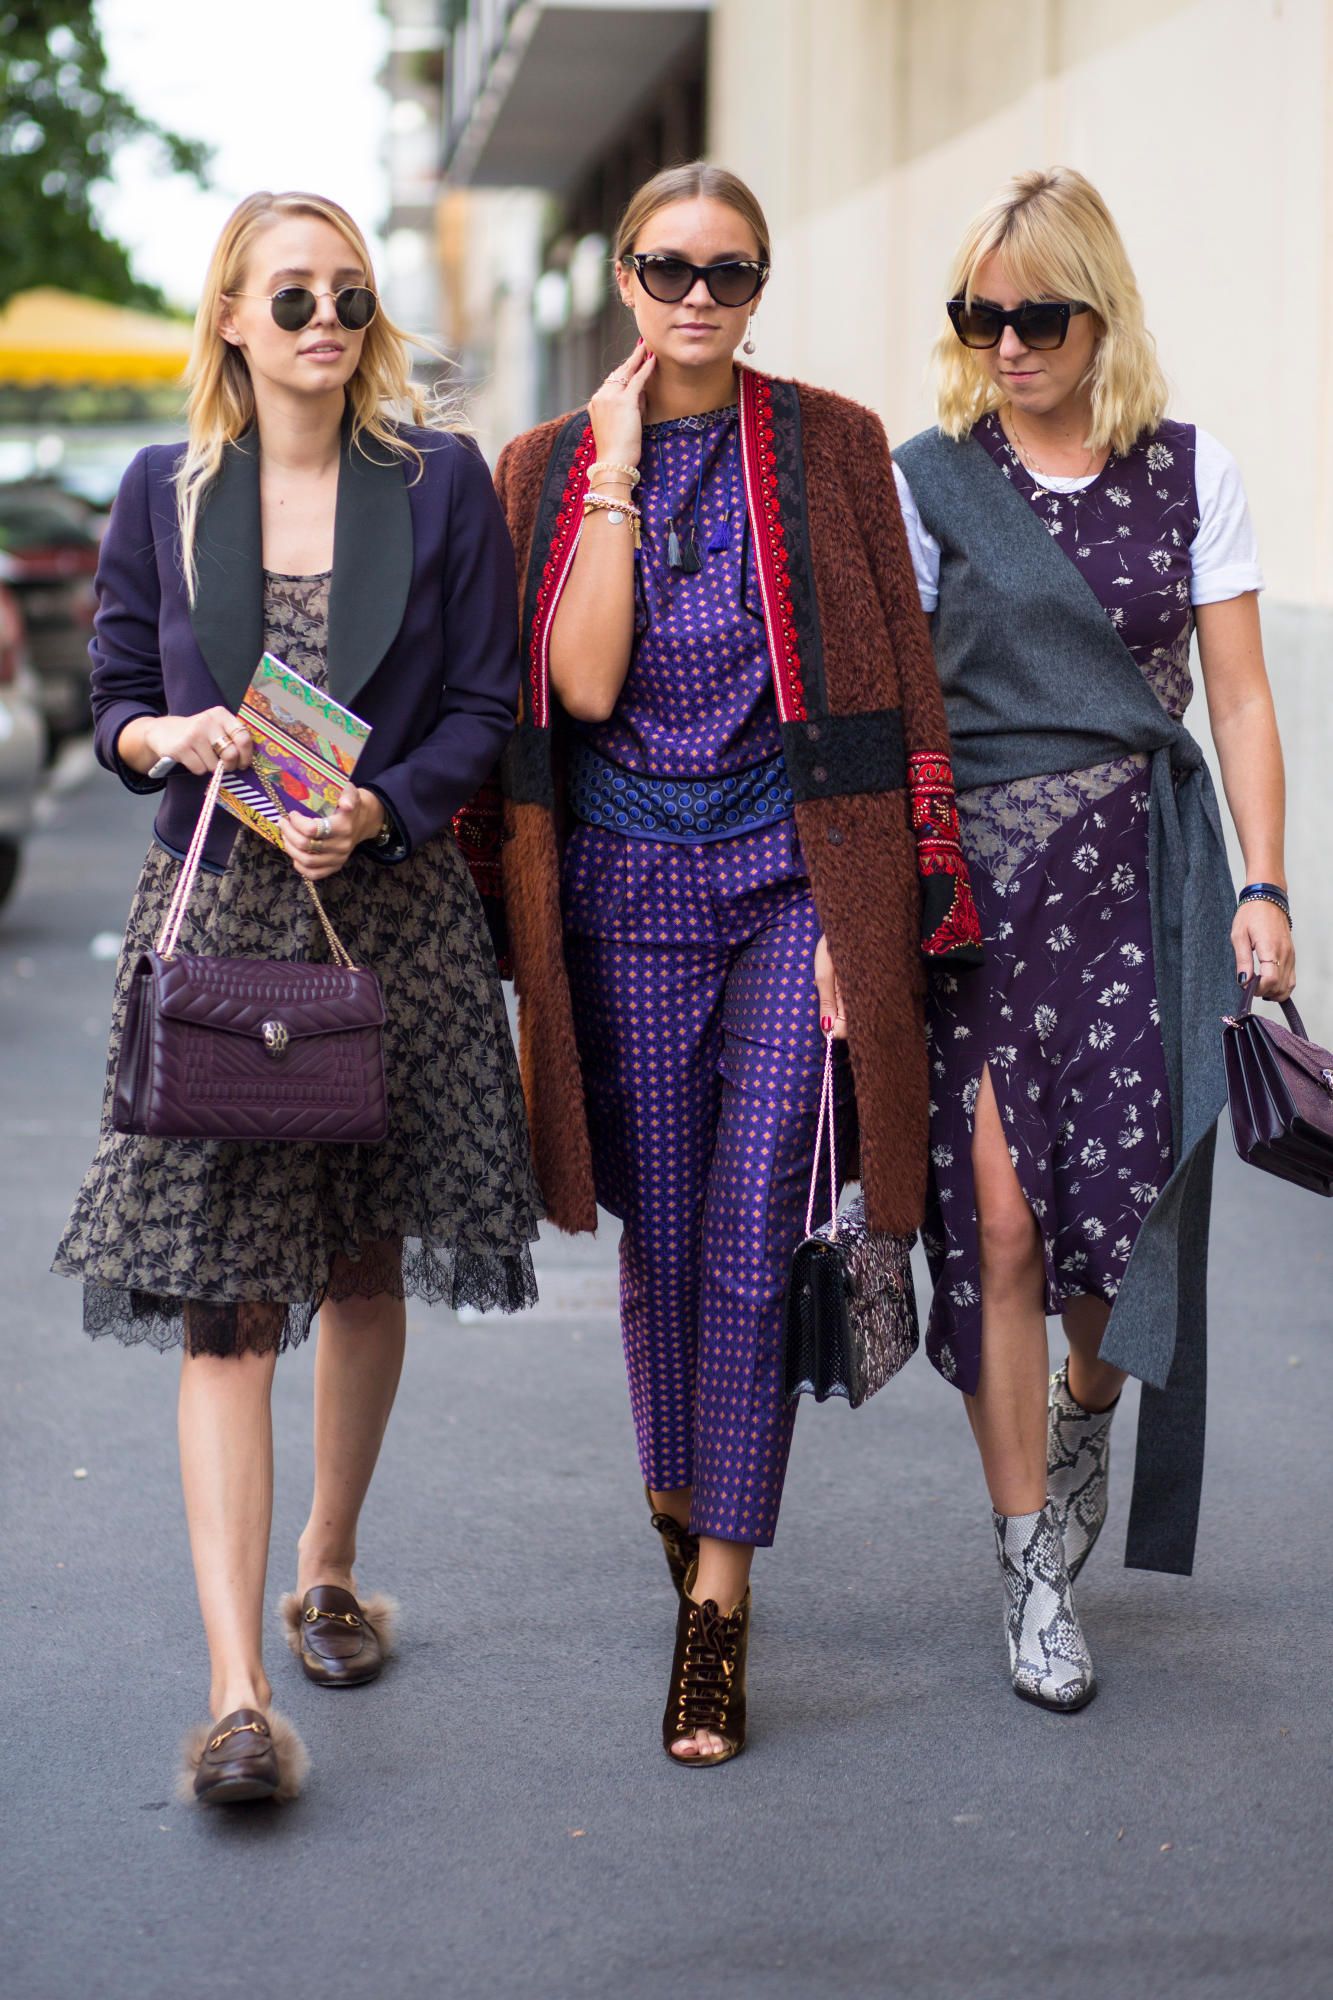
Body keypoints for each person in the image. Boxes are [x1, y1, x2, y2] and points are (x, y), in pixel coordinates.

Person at [464, 162, 981, 1766]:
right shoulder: (544, 467)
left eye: (730, 271)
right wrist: (616, 472)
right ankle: (683, 1503)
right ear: (625, 276)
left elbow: (900, 684)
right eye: (670, 269)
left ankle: (718, 1614)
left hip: (785, 893)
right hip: (617, 895)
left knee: (754, 1229)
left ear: (760, 285)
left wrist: (872, 915)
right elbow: (579, 685)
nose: (698, 297)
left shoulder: (831, 444)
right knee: (665, 1238)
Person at [53, 191, 542, 1804]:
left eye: (347, 294)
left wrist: (383, 807)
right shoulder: (163, 488)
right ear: (232, 320)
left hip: (385, 913)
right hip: (218, 924)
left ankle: (327, 1568)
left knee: (358, 1254)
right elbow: (116, 698)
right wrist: (166, 738)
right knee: (225, 1301)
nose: (324, 319)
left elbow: (482, 702)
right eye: (291, 296)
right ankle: (236, 1698)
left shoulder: (439, 481)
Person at [893, 167, 1293, 1711]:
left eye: (1037, 316)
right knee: (996, 1229)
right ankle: (1027, 1571)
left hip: (1140, 889)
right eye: (978, 318)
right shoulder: (929, 482)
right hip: (978, 910)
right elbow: (895, 709)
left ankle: (1082, 1417)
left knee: (1117, 1246)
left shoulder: (1192, 471)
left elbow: (1237, 698)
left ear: (1098, 311)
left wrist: (1264, 885)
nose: (1006, 344)